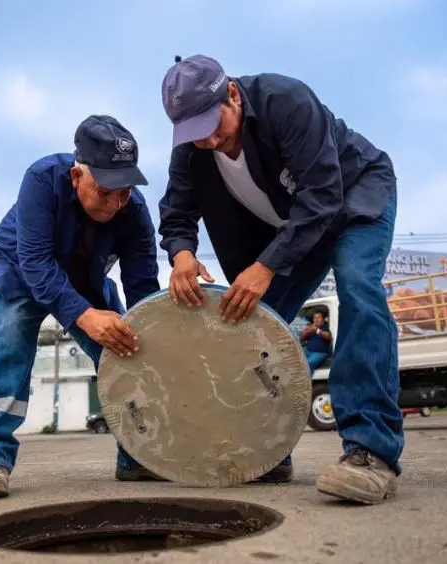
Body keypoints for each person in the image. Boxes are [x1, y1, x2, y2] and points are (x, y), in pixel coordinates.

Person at [158, 54, 404, 504]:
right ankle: (267, 453)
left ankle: (371, 452)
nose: (210, 140)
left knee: (358, 287)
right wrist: (182, 254)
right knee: (251, 325)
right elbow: (176, 211)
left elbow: (323, 195)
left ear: (232, 93)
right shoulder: (192, 149)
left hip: (354, 199)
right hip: (292, 230)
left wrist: (265, 267)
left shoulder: (284, 100)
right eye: (195, 135)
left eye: (216, 125)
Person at [0, 114, 161, 499]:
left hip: (83, 279)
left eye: (125, 191)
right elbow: (36, 264)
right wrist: (84, 316)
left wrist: (145, 334)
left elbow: (142, 289)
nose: (115, 203)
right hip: (21, 270)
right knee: (10, 338)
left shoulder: (133, 211)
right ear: (76, 177)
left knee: (126, 348)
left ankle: (136, 456)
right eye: (105, 191)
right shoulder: (41, 180)